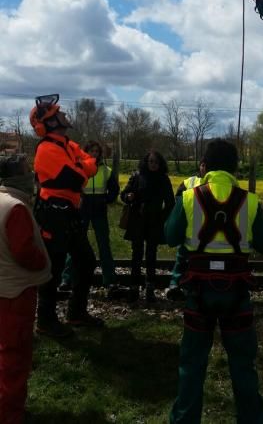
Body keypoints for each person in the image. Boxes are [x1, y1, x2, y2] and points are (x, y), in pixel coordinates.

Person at [165, 138, 263, 424]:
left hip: (199, 293)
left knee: (191, 365)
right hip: (236, 293)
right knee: (243, 366)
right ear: (235, 167)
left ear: (205, 165)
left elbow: (170, 236)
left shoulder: (189, 197)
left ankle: (185, 420)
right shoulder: (249, 201)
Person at [30, 94, 103, 337]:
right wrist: (84, 167)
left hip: (67, 212)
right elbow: (76, 177)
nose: (64, 115)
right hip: (53, 214)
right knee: (55, 267)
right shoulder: (48, 149)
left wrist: (84, 166)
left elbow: (89, 162)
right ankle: (46, 320)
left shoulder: (66, 144)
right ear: (50, 122)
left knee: (86, 261)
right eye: (58, 114)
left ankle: (75, 313)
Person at [0, 153, 51, 424]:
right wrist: (43, 259)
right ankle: (10, 415)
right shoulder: (16, 208)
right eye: (28, 172)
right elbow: (24, 251)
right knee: (14, 358)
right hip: (14, 293)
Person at [61, 141, 120, 298]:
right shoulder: (80, 169)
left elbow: (114, 189)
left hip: (99, 210)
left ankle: (109, 280)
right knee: (74, 244)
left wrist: (106, 199)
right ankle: (66, 279)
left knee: (104, 245)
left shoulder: (107, 171)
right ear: (86, 152)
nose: (95, 153)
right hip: (82, 209)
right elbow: (71, 187)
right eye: (92, 151)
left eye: (97, 151)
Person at [121, 149, 174, 302]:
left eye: (156, 162)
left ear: (160, 164)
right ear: (146, 162)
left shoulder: (164, 179)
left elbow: (170, 203)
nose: (153, 164)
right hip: (138, 219)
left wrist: (161, 217)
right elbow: (124, 195)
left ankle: (150, 287)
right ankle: (134, 287)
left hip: (154, 221)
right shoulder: (137, 176)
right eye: (150, 161)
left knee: (151, 255)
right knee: (136, 254)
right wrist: (128, 197)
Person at [166, 157, 207, 301]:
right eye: (202, 164)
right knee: (182, 257)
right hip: (189, 226)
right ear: (199, 166)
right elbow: (179, 199)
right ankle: (174, 285)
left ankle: (192, 286)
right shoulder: (189, 182)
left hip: (204, 228)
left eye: (206, 165)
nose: (204, 168)